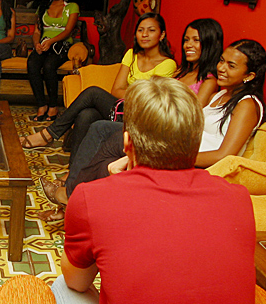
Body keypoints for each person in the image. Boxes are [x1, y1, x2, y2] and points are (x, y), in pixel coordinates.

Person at [54, 77, 256, 304]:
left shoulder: (91, 197)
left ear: (127, 143)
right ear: (195, 142)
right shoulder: (237, 198)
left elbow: (77, 282)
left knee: (63, 283)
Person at [39, 18, 225, 223]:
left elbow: (188, 115)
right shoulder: (182, 72)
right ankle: (69, 194)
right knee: (88, 117)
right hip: (146, 120)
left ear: (210, 43)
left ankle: (59, 160)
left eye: (196, 40)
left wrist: (145, 101)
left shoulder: (208, 79)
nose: (189, 45)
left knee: (95, 110)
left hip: (158, 130)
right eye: (187, 39)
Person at [20, 12, 176, 152]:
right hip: (121, 109)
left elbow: (150, 100)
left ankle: (48, 134)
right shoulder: (131, 54)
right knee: (86, 115)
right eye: (141, 30)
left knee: (93, 92)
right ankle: (72, 175)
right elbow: (116, 90)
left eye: (151, 30)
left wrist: (131, 93)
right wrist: (137, 93)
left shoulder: (167, 64)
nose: (145, 35)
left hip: (141, 116)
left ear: (162, 35)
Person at [28, 0, 79, 121]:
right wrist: (37, 43)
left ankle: (53, 106)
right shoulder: (42, 7)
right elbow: (37, 31)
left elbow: (68, 31)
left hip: (61, 45)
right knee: (32, 63)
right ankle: (41, 105)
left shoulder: (72, 7)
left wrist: (51, 41)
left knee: (49, 65)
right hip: (44, 44)